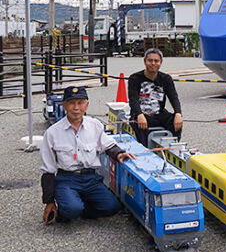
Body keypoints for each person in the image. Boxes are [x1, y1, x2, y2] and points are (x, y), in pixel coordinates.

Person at [40, 86, 136, 224]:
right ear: (64, 106)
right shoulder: (52, 133)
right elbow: (48, 170)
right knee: (72, 209)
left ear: (87, 105)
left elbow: (108, 145)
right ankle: (68, 208)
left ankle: (77, 208)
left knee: (112, 207)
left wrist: (119, 154)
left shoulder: (95, 125)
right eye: (71, 103)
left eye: (80, 103)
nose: (76, 108)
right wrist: (49, 201)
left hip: (91, 178)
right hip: (67, 180)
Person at [128, 48, 183, 147]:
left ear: (160, 63)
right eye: (150, 60)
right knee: (139, 127)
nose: (153, 63)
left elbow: (173, 97)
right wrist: (140, 114)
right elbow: (133, 99)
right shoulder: (134, 78)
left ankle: (172, 148)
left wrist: (178, 113)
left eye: (156, 61)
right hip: (141, 114)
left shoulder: (166, 79)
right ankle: (145, 151)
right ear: (144, 62)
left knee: (175, 122)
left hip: (159, 114)